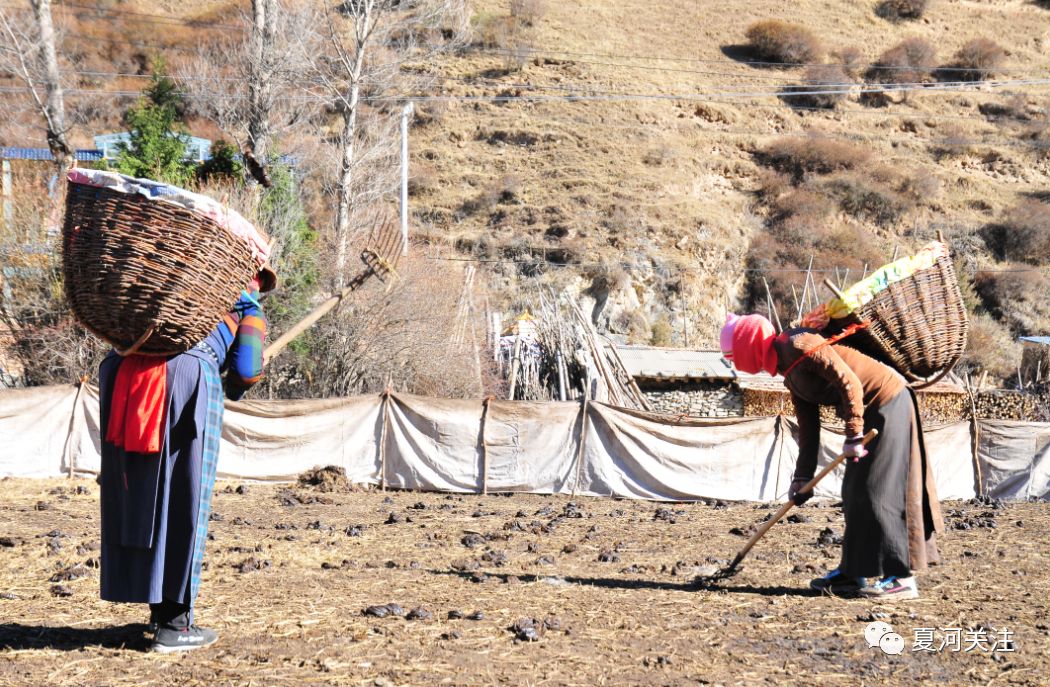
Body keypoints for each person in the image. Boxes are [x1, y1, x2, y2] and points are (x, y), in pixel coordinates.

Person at [98, 265, 275, 652]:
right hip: (185, 378)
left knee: (141, 493)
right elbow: (247, 370)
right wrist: (235, 380)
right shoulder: (248, 307)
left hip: (124, 375)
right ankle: (175, 624)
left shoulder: (171, 286)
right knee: (183, 492)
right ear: (256, 279)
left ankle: (155, 605)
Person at [720, 312, 943, 601]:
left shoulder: (798, 343)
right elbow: (808, 428)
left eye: (732, 356)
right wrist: (802, 479)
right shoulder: (789, 371)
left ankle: (901, 577)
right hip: (872, 412)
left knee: (877, 491)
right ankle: (853, 573)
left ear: (746, 348)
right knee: (853, 492)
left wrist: (852, 433)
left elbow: (848, 380)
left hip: (889, 403)